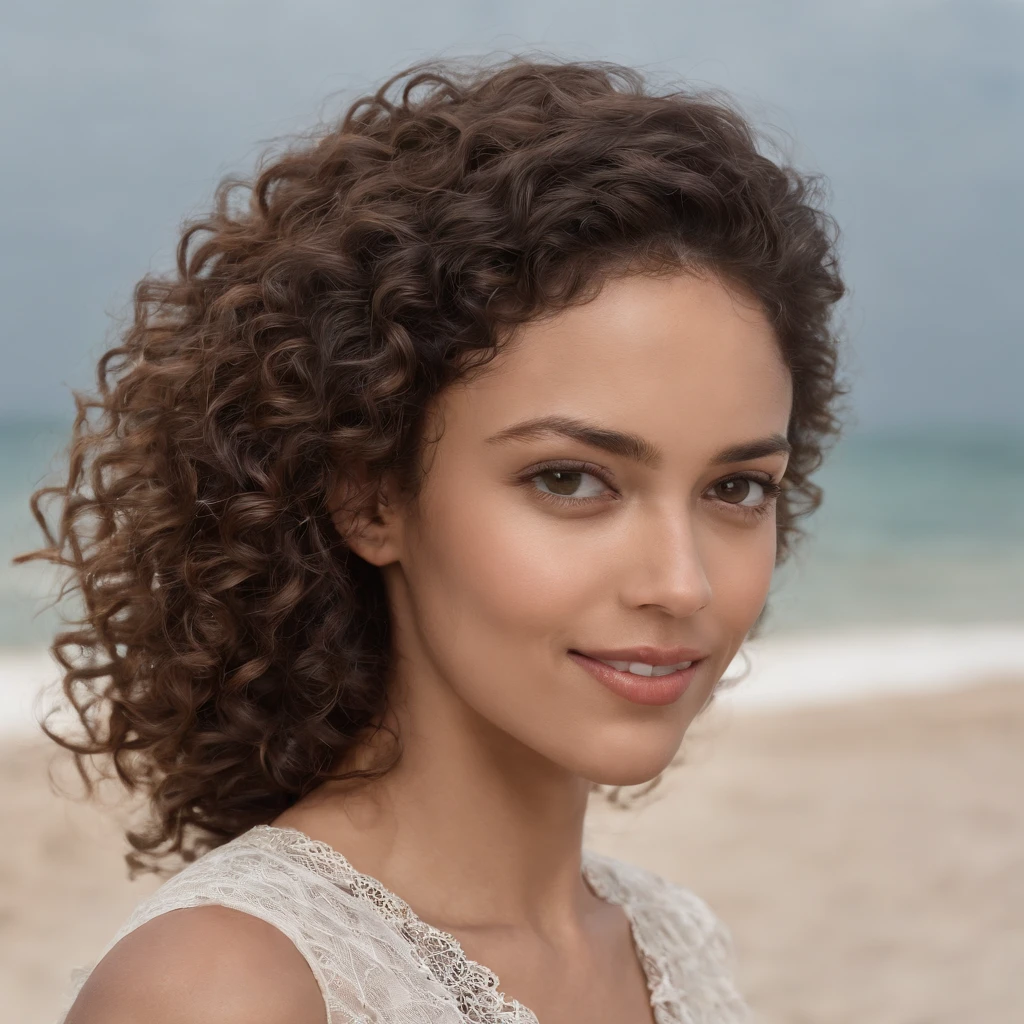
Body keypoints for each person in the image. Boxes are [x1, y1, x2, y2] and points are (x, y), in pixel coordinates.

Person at [23, 53, 847, 1024]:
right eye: (570, 479)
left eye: (736, 487)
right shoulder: (225, 990)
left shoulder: (672, 944)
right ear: (371, 497)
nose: (681, 583)